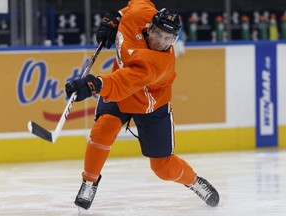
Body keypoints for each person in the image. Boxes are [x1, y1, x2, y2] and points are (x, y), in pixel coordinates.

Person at [65, 0, 219, 211]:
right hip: (119, 94)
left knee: (163, 168)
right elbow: (137, 4)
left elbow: (121, 83)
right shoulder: (140, 14)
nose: (160, 42)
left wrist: (94, 85)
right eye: (157, 34)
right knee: (103, 128)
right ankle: (89, 182)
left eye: (168, 39)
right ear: (149, 27)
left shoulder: (159, 63)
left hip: (151, 104)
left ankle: (193, 181)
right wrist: (116, 16)